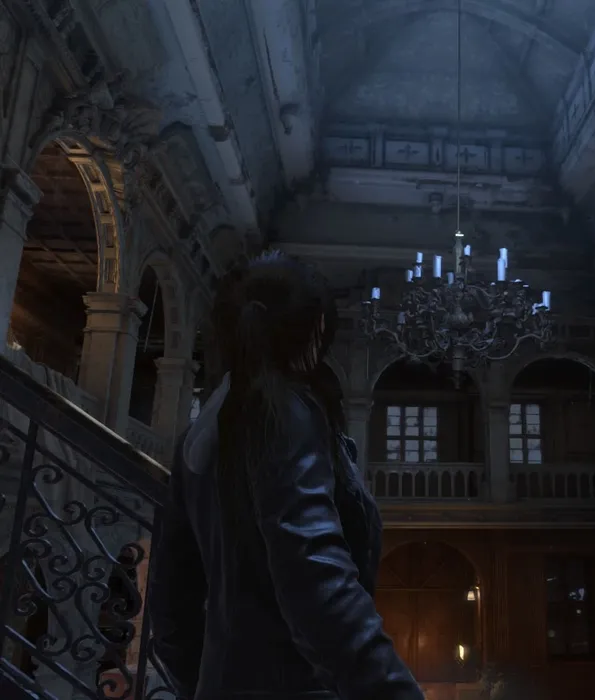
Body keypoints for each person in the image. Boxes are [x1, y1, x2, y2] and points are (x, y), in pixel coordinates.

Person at [147, 251, 423, 700]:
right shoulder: (285, 416)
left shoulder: (201, 432)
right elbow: (317, 581)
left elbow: (170, 607)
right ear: (314, 331)